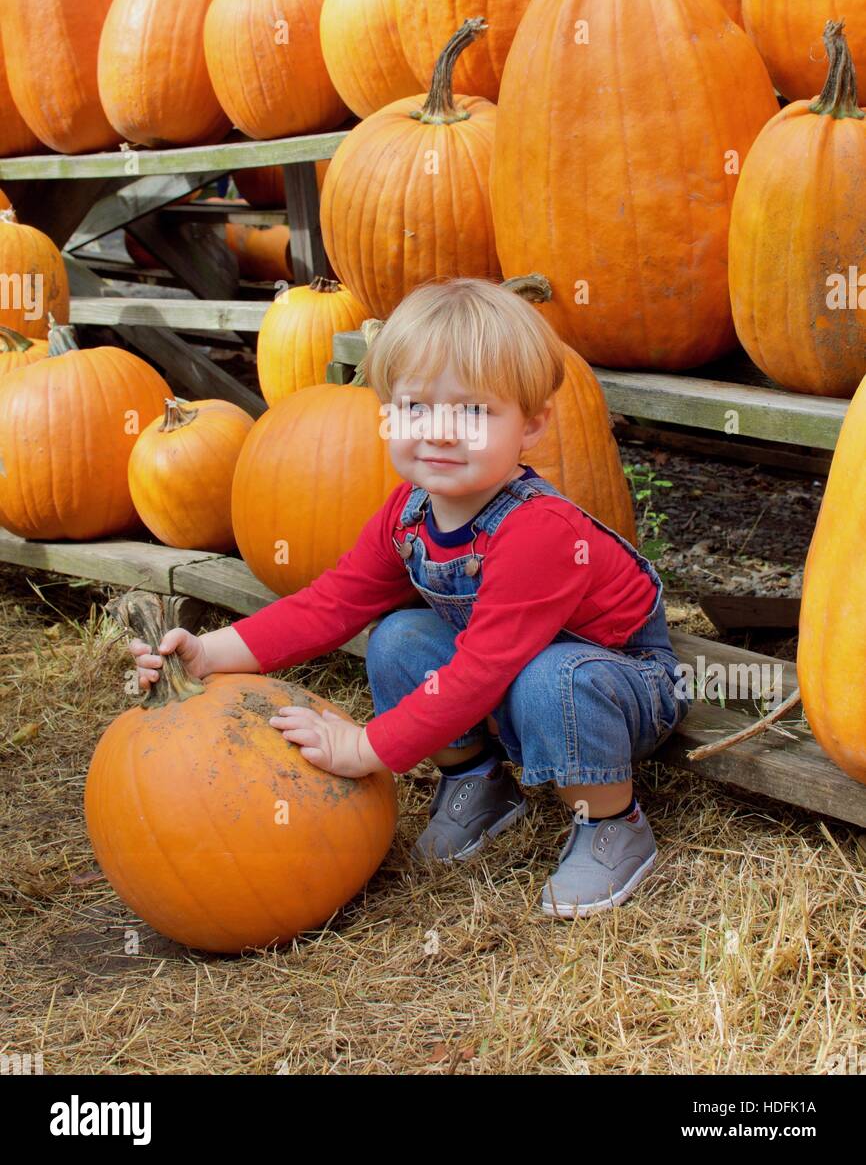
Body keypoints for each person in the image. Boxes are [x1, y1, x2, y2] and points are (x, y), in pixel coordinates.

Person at [130, 278, 689, 917]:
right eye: (415, 407)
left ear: (532, 425)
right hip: (514, 676)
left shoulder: (540, 532)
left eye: (472, 412)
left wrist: (365, 748)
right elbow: (329, 605)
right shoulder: (409, 512)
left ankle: (611, 823)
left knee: (551, 677)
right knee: (398, 638)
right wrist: (208, 652)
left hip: (619, 687)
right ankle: (475, 782)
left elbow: (483, 670)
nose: (439, 432)